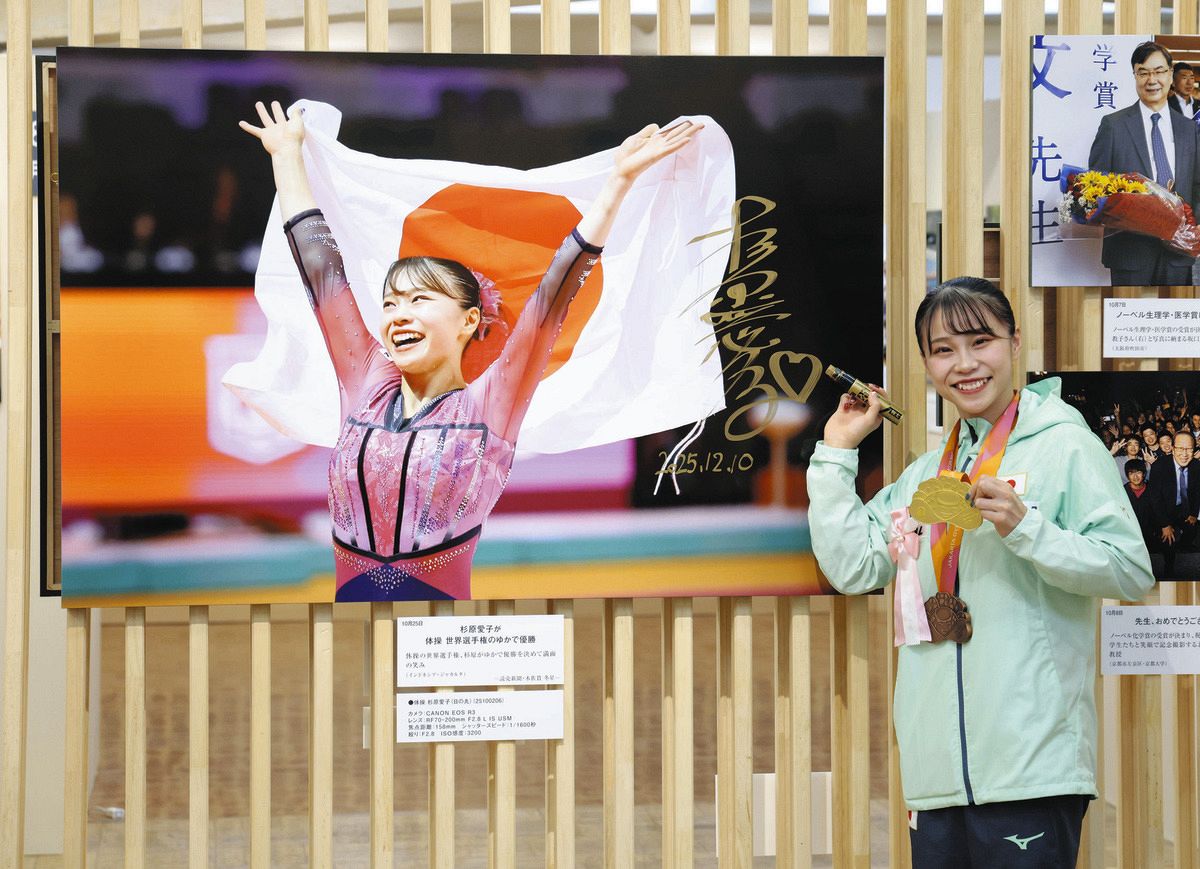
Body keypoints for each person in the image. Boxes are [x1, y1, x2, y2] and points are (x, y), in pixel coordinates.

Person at [240, 100, 702, 601]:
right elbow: (320, 269)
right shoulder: (365, 381)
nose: (398, 313)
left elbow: (553, 296)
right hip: (352, 624)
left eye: (419, 300)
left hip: (439, 629)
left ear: (469, 321)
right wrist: (286, 156)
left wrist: (618, 182)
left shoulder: (490, 405)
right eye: (391, 302)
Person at [806, 276, 1153, 868]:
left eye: (980, 341)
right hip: (936, 775)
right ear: (927, 364)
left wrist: (1028, 528)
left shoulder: (1066, 446)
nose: (964, 364)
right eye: (943, 350)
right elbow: (853, 566)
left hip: (1031, 770)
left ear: (1014, 343)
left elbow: (1128, 570)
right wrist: (837, 451)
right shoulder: (925, 475)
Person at [1088, 41, 1200, 285]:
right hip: (1130, 253)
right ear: (1135, 75)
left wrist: (1193, 228)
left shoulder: (1189, 129)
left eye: (1159, 71)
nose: (1152, 80)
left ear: (1170, 74)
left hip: (1178, 255)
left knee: (1175, 310)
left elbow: (1197, 184)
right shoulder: (1113, 125)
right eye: (1143, 72)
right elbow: (1095, 187)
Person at [1147, 431, 1200, 576]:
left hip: (1185, 507)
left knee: (1192, 531)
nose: (1185, 454)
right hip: (1165, 510)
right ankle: (1168, 566)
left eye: (1189, 449)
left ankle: (1184, 546)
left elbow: (1197, 492)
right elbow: (1155, 498)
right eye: (1180, 448)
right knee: (1168, 540)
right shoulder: (1159, 466)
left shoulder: (1196, 466)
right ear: (1173, 448)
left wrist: (1194, 514)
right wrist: (1165, 525)